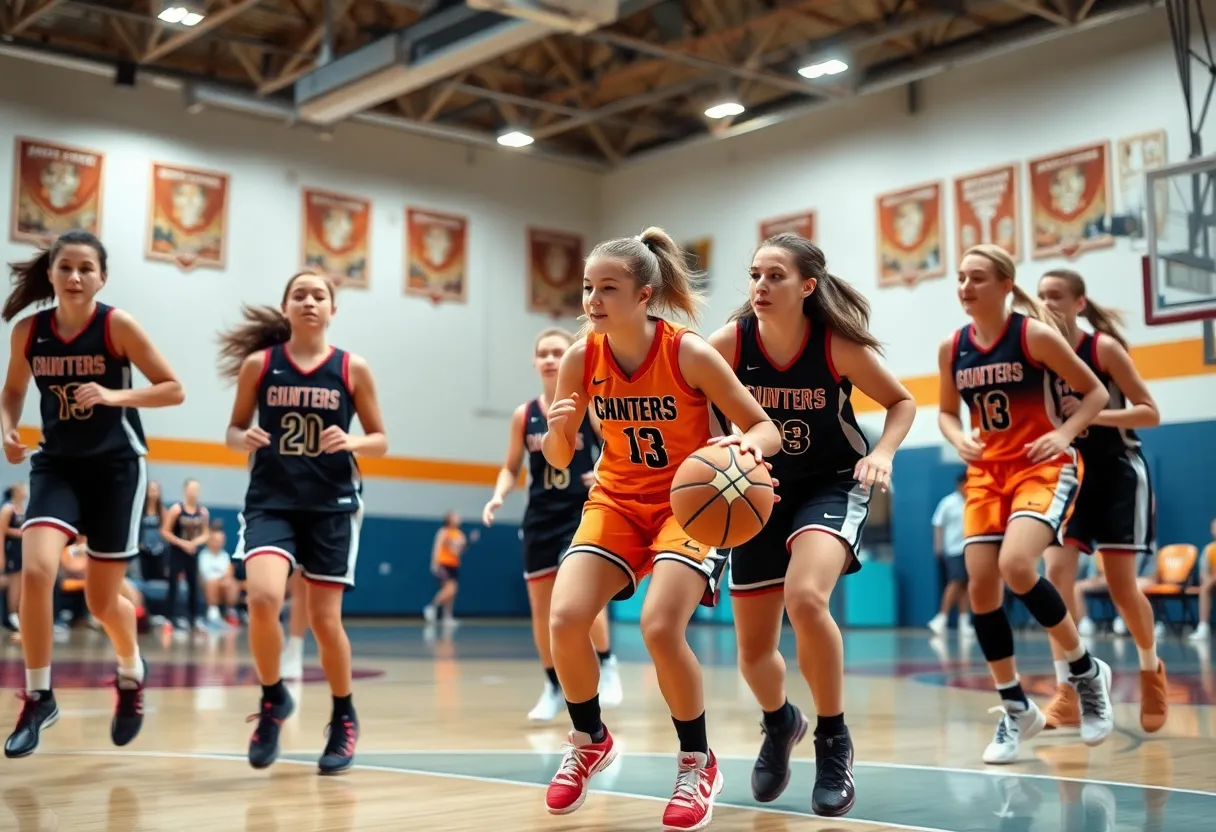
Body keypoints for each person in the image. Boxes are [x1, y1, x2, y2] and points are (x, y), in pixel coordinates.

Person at [540, 227, 781, 831]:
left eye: (608, 289)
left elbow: (765, 428)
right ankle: (590, 738)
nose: (593, 300)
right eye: (589, 288)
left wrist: (742, 450)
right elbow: (561, 461)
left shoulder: (688, 352)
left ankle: (697, 760)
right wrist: (561, 431)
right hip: (616, 501)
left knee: (659, 627)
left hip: (688, 505)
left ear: (644, 295)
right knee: (566, 619)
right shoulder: (581, 356)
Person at [705, 233, 916, 817]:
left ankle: (832, 738)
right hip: (755, 492)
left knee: (805, 597)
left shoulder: (835, 347)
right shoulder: (730, 342)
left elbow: (901, 403)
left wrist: (885, 454)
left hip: (832, 483)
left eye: (775, 275)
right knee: (752, 652)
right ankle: (781, 723)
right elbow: (693, 395)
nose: (761, 286)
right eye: (754, 275)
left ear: (807, 285)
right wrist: (713, 447)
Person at [0, 229, 185, 758]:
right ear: (52, 274)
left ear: (102, 276)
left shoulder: (116, 326)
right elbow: (12, 391)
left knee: (104, 601)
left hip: (117, 470)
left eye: (86, 268)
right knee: (37, 569)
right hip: (56, 466)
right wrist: (8, 428)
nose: (76, 276)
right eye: (66, 267)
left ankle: (130, 671)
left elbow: (173, 388)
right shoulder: (29, 332)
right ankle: (39, 696)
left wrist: (113, 393)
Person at [936, 244, 1114, 765]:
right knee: (981, 587)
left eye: (976, 278)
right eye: (961, 278)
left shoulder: (1032, 335)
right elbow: (947, 413)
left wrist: (1066, 434)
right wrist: (956, 437)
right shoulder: (952, 347)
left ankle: (1085, 672)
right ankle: (1016, 707)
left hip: (1041, 466)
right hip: (986, 473)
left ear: (1006, 285)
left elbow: (1095, 392)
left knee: (1017, 566)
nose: (965, 287)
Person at [219, 269, 387, 774]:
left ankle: (343, 715)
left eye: (319, 295)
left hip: (332, 505)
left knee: (323, 621)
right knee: (264, 597)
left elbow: (380, 439)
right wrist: (240, 438)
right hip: (271, 500)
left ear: (332, 309)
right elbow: (232, 428)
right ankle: (273, 701)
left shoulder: (352, 368)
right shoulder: (260, 365)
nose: (310, 301)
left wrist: (352, 441)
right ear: (286, 307)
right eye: (300, 295)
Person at [1035, 269, 1168, 733]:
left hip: (1116, 472)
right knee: (1055, 576)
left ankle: (1151, 670)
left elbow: (1150, 412)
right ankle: (1069, 690)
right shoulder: (1041, 352)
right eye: (1041, 296)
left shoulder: (1103, 349)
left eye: (1055, 296)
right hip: (1069, 473)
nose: (1047, 303)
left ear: (1078, 303)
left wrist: (1096, 411)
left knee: (1121, 587)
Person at [482, 327, 623, 723]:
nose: (548, 358)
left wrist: (602, 474)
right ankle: (551, 686)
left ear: (570, 358)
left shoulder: (591, 404)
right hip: (540, 516)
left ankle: (608, 665)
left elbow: (618, 446)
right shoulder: (523, 415)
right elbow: (511, 468)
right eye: (542, 352)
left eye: (557, 351)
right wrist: (498, 494)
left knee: (582, 596)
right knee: (540, 607)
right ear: (534, 360)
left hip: (582, 513)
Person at [161, 478, 210, 632]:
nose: (194, 492)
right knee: (173, 584)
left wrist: (194, 543)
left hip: (192, 552)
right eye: (191, 488)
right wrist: (183, 543)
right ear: (185, 490)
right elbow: (165, 531)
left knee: (193, 584)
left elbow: (206, 534)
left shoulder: (202, 511)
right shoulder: (176, 509)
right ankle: (169, 618)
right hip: (177, 551)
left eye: (196, 489)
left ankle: (193, 618)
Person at [928, 473, 970, 636]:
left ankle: (964, 620)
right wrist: (938, 546)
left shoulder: (973, 501)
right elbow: (938, 524)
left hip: (970, 548)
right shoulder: (948, 502)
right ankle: (941, 618)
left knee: (966, 585)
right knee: (956, 581)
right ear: (960, 485)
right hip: (953, 549)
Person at [423, 512, 466, 627]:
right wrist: (434, 563)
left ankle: (447, 617)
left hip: (454, 565)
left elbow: (459, 551)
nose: (458, 518)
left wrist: (461, 547)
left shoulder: (459, 534)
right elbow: (437, 547)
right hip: (443, 564)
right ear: (449, 519)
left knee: (452, 593)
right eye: (455, 516)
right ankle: (431, 607)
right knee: (451, 589)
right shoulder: (443, 531)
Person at [1, 483, 27, 634]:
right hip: (10, 550)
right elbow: (2, 531)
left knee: (20, 584)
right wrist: (1, 557)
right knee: (13, 585)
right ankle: (12, 615)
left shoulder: (22, 508)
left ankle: (16, 614)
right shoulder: (7, 509)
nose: (26, 491)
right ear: (15, 491)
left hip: (21, 550)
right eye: (23, 488)